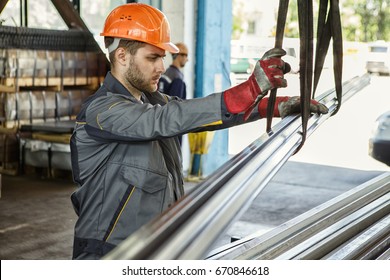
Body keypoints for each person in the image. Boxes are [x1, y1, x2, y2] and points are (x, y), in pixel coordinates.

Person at [70, 3, 328, 260]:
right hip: (106, 253)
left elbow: (202, 116)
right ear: (122, 56)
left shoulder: (154, 102)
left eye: (163, 57)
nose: (162, 67)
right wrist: (247, 90)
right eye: (152, 57)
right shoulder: (102, 110)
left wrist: (272, 106)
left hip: (154, 249)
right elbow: (162, 120)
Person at [158, 42, 189, 144]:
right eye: (186, 55)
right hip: (173, 128)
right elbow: (176, 107)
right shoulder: (177, 78)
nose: (187, 59)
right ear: (179, 56)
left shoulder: (167, 73)